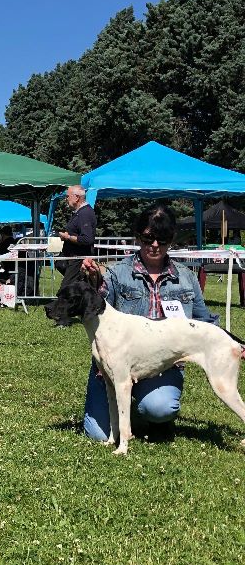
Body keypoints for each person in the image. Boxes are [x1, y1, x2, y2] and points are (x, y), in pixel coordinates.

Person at [80, 203, 219, 441]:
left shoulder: (186, 277)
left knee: (160, 408)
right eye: (148, 239)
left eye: (162, 239)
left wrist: (228, 343)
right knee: (98, 434)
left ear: (172, 239)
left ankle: (156, 416)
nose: (155, 245)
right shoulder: (117, 273)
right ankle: (126, 411)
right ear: (138, 237)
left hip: (163, 364)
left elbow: (203, 321)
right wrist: (93, 278)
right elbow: (98, 304)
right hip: (118, 362)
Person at [57, 184, 97, 288]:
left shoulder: (85, 213)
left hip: (79, 259)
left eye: (67, 196)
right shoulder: (78, 213)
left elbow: (87, 239)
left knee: (66, 290)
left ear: (77, 197)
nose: (66, 199)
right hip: (73, 258)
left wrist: (68, 237)